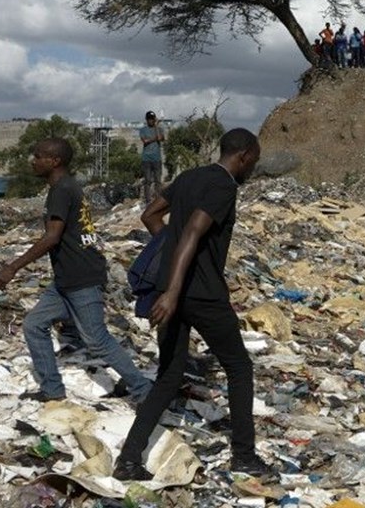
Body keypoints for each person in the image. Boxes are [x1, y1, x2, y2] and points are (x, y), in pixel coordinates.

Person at [113, 129, 269, 481]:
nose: (252, 169)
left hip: (173, 291)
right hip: (201, 295)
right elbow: (193, 233)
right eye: (253, 162)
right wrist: (173, 292)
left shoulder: (188, 177)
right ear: (243, 156)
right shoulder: (223, 186)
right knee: (239, 368)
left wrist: (169, 272)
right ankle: (244, 456)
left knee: (168, 376)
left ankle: (128, 459)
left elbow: (151, 216)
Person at [0, 138, 153, 403]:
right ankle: (53, 390)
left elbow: (52, 236)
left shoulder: (62, 189)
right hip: (66, 278)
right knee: (34, 325)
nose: (33, 160)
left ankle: (144, 391)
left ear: (54, 161)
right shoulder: (65, 187)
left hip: (81, 277)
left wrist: (12, 268)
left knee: (97, 339)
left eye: (38, 155)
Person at [138, 111, 165, 204]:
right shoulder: (142, 130)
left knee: (158, 181)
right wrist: (155, 139)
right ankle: (148, 201)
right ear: (146, 120)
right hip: (146, 159)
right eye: (149, 119)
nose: (151, 121)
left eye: (152, 119)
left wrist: (156, 127)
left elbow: (161, 138)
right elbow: (145, 141)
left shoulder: (159, 129)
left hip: (157, 159)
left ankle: (158, 200)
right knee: (148, 181)